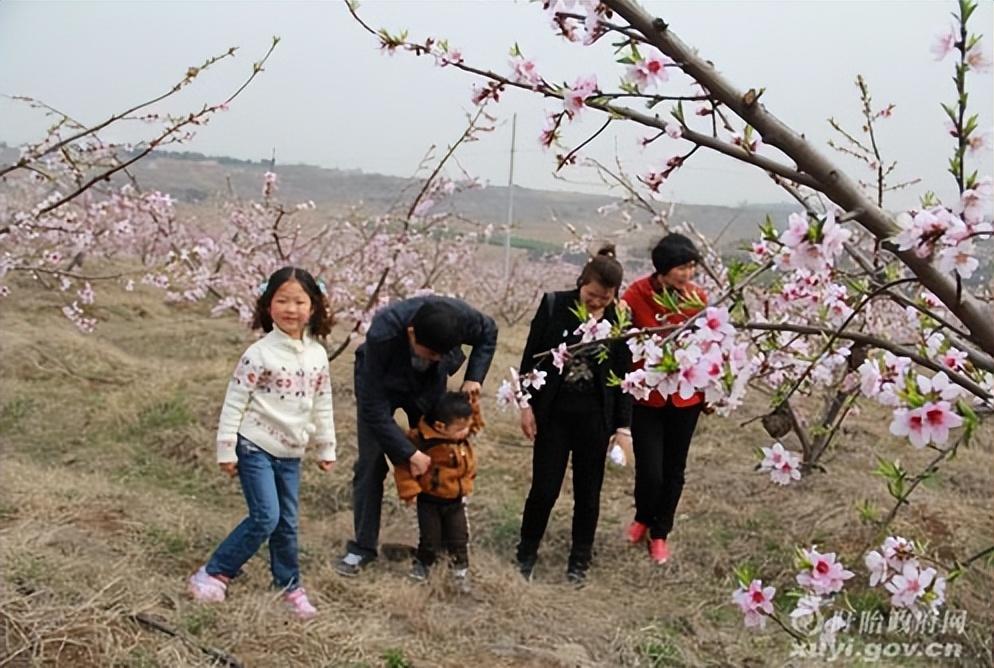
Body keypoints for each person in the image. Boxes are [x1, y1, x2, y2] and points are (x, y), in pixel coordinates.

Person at [187, 266, 337, 619]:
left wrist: (326, 446)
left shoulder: (317, 354)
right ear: (268, 305)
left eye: (299, 301)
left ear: (313, 306)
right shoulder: (259, 353)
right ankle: (214, 572)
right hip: (255, 444)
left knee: (287, 522)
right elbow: (235, 401)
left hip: (291, 452)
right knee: (266, 516)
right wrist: (226, 448)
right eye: (281, 300)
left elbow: (323, 403)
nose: (291, 309)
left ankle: (289, 586)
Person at [336, 296, 497, 577]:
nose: (434, 357)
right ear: (411, 333)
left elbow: (489, 331)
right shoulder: (384, 332)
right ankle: (363, 547)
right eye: (430, 353)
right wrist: (408, 452)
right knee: (370, 464)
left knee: (440, 458)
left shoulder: (461, 319)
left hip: (428, 386)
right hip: (382, 385)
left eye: (441, 354)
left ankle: (438, 547)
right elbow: (373, 409)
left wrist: (474, 377)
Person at [515, 246, 632, 584]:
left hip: (595, 419)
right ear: (582, 282)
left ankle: (579, 559)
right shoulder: (555, 305)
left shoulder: (619, 319)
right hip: (553, 415)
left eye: (604, 298)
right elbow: (530, 361)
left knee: (588, 491)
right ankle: (526, 551)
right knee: (544, 488)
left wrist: (623, 428)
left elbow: (623, 378)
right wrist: (526, 405)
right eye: (592, 294)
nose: (597, 302)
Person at [621, 232, 708, 565]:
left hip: (686, 399)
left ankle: (659, 532)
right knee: (650, 469)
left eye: (691, 267)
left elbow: (708, 346)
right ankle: (643, 515)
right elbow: (620, 339)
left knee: (675, 470)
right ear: (662, 268)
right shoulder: (636, 295)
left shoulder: (697, 298)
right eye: (681, 268)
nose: (687, 275)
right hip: (648, 396)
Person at [393, 391, 482, 591]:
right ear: (441, 427)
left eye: (467, 426)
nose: (466, 431)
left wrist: (474, 404)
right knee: (430, 538)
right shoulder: (422, 441)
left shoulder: (460, 436)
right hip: (430, 500)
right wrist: (410, 490)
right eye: (461, 428)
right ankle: (423, 564)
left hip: (456, 501)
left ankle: (460, 571)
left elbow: (475, 423)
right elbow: (404, 468)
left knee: (459, 537)